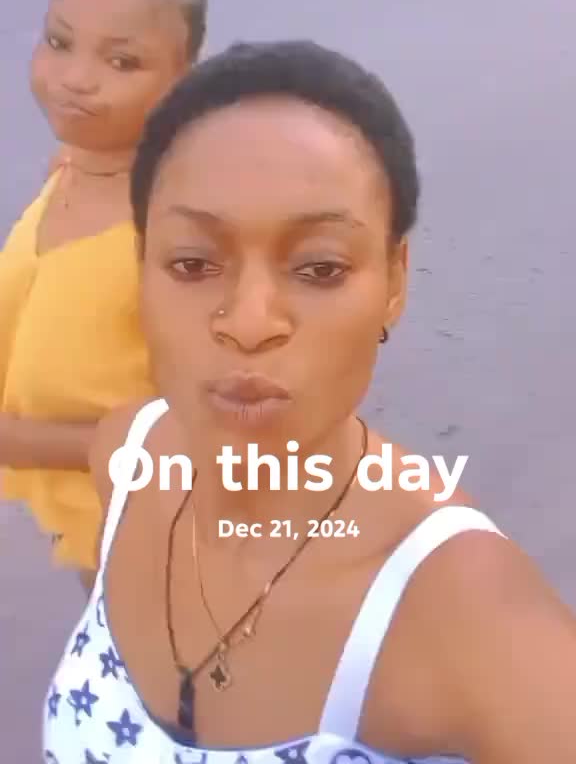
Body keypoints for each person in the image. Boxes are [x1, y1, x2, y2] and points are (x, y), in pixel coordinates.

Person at [45, 41, 576, 762]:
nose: (249, 322)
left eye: (319, 268)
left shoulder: (465, 616)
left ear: (394, 282)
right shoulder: (126, 456)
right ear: (140, 269)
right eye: (193, 263)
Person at [0, 0, 206, 590]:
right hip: (96, 524)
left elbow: (199, 432)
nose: (76, 78)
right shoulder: (72, 170)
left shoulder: (177, 229)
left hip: (163, 544)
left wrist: (20, 441)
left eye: (121, 61)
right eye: (59, 42)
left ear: (182, 81)